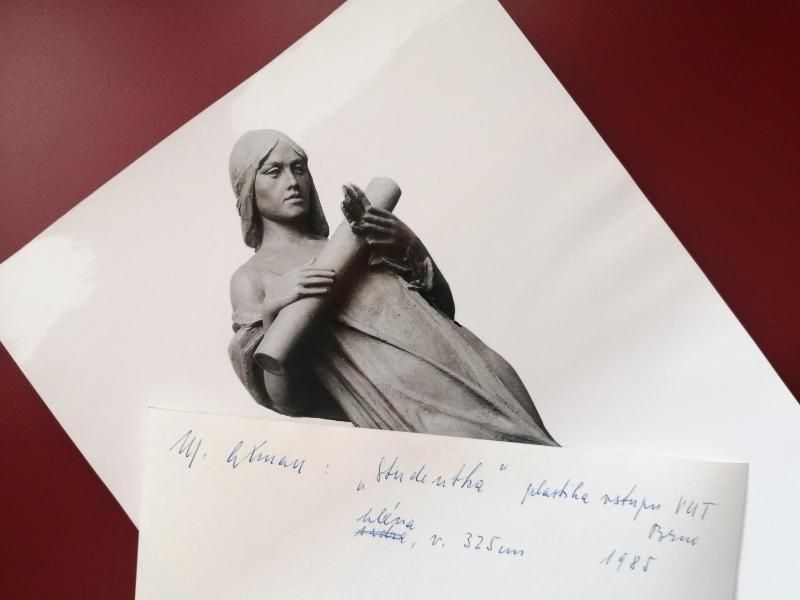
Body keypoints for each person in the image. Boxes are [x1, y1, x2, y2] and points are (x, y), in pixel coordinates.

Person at [228, 129, 558, 446]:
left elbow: (444, 312)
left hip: (479, 369)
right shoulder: (253, 277)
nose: (292, 181)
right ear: (247, 189)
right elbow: (289, 400)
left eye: (299, 169)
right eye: (274, 172)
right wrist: (273, 311)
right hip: (409, 405)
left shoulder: (352, 239)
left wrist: (408, 242)